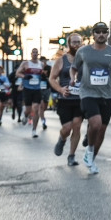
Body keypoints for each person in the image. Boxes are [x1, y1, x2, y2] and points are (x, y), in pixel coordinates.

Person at [71, 22, 111, 175]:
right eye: (98, 32)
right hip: (88, 92)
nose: (101, 34)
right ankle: (89, 150)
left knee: (101, 130)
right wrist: (73, 78)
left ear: (107, 34)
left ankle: (91, 159)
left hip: (106, 94)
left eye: (104, 32)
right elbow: (74, 67)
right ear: (93, 34)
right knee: (95, 124)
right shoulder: (83, 51)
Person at [49, 32, 85, 166]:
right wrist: (60, 89)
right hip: (65, 99)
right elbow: (52, 78)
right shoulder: (62, 60)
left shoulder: (85, 60)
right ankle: (62, 139)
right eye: (73, 42)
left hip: (80, 99)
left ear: (82, 43)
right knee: (67, 128)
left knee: (77, 126)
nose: (76, 44)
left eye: (78, 42)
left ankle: (71, 155)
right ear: (69, 44)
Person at [15, 48, 46, 138]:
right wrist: (25, 76)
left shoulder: (41, 64)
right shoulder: (26, 63)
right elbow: (17, 73)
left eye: (36, 53)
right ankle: (25, 116)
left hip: (37, 89)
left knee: (36, 109)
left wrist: (43, 76)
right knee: (28, 109)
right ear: (31, 54)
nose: (35, 54)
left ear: (38, 54)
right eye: (34, 52)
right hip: (27, 89)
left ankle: (34, 130)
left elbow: (42, 74)